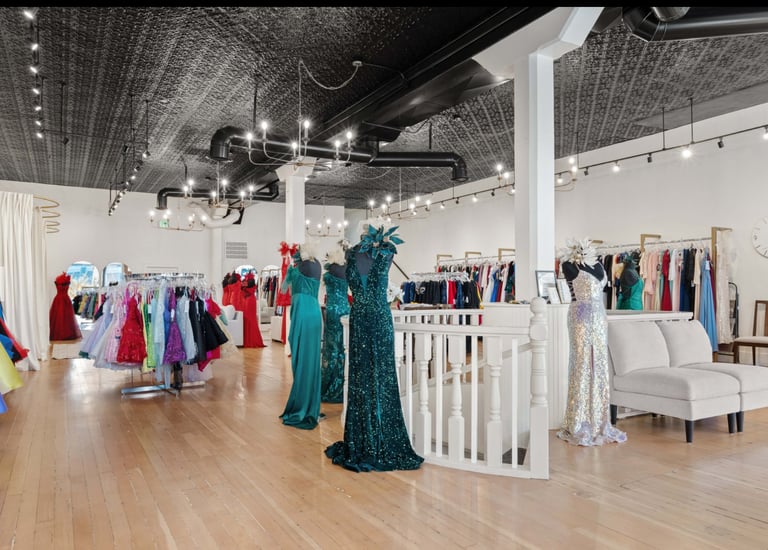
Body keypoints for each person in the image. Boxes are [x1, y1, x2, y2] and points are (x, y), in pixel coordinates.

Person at [325, 222, 423, 471]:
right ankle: (365, 438)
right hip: (369, 318)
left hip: (370, 319)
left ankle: (377, 435)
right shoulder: (357, 253)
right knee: (361, 378)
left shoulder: (386, 251)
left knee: (381, 377)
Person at [557, 237, 627, 446]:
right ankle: (578, 420)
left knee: (600, 366)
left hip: (599, 319)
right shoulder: (568, 265)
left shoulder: (598, 265)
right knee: (581, 366)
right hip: (580, 318)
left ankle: (598, 420)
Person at [279, 242, 323, 429]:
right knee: (311, 360)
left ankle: (301, 406)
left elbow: (282, 290)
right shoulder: (316, 265)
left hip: (302, 315)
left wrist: (290, 272)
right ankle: (311, 403)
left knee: (302, 359)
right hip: (313, 312)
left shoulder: (298, 268)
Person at [321, 241, 350, 403]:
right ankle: (341, 381)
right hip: (345, 309)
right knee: (342, 346)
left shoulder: (330, 270)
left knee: (332, 346)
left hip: (332, 309)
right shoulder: (344, 270)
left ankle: (331, 382)